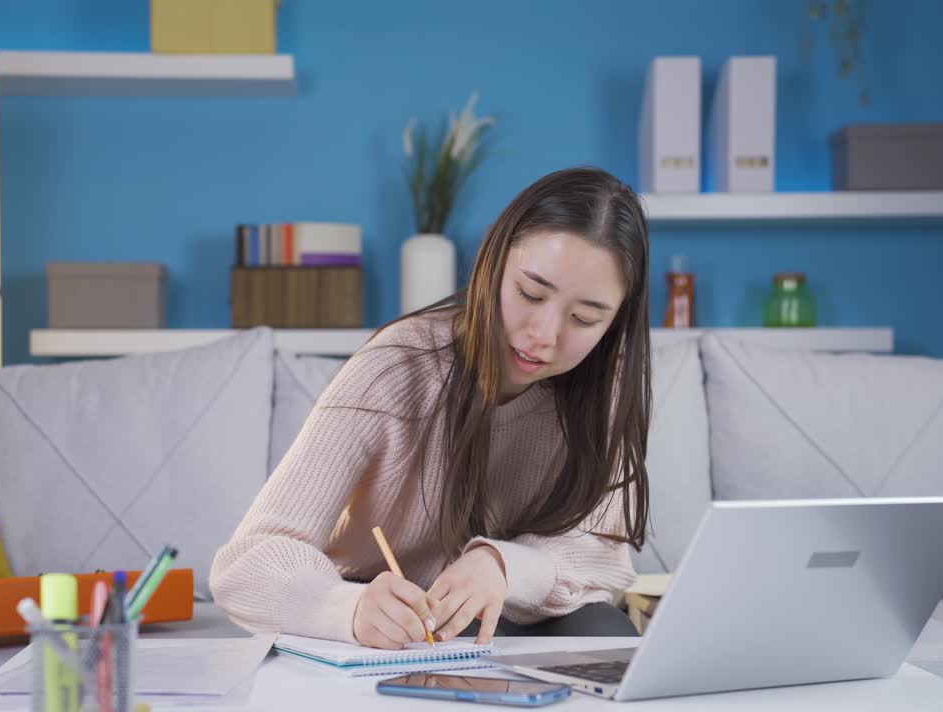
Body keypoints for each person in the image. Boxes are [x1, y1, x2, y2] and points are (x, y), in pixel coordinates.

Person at [210, 166, 652, 649]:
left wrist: (502, 565)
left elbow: (607, 561)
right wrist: (346, 608)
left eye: (585, 318)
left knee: (608, 634)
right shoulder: (395, 368)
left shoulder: (599, 387)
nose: (544, 335)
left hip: (513, 616)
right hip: (389, 617)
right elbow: (245, 564)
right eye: (529, 293)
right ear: (492, 262)